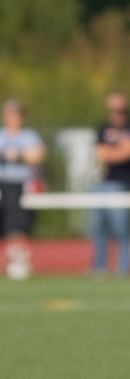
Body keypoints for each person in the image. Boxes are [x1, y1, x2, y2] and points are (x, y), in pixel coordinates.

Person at [89, 93, 130, 277]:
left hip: (122, 184)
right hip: (101, 184)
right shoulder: (103, 128)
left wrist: (113, 152)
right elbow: (101, 154)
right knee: (98, 228)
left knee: (121, 229)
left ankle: (124, 268)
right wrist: (118, 151)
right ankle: (99, 267)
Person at [0, 98, 46, 280]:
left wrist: (17, 155)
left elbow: (37, 155)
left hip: (19, 185)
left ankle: (18, 259)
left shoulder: (29, 135)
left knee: (17, 223)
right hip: (2, 184)